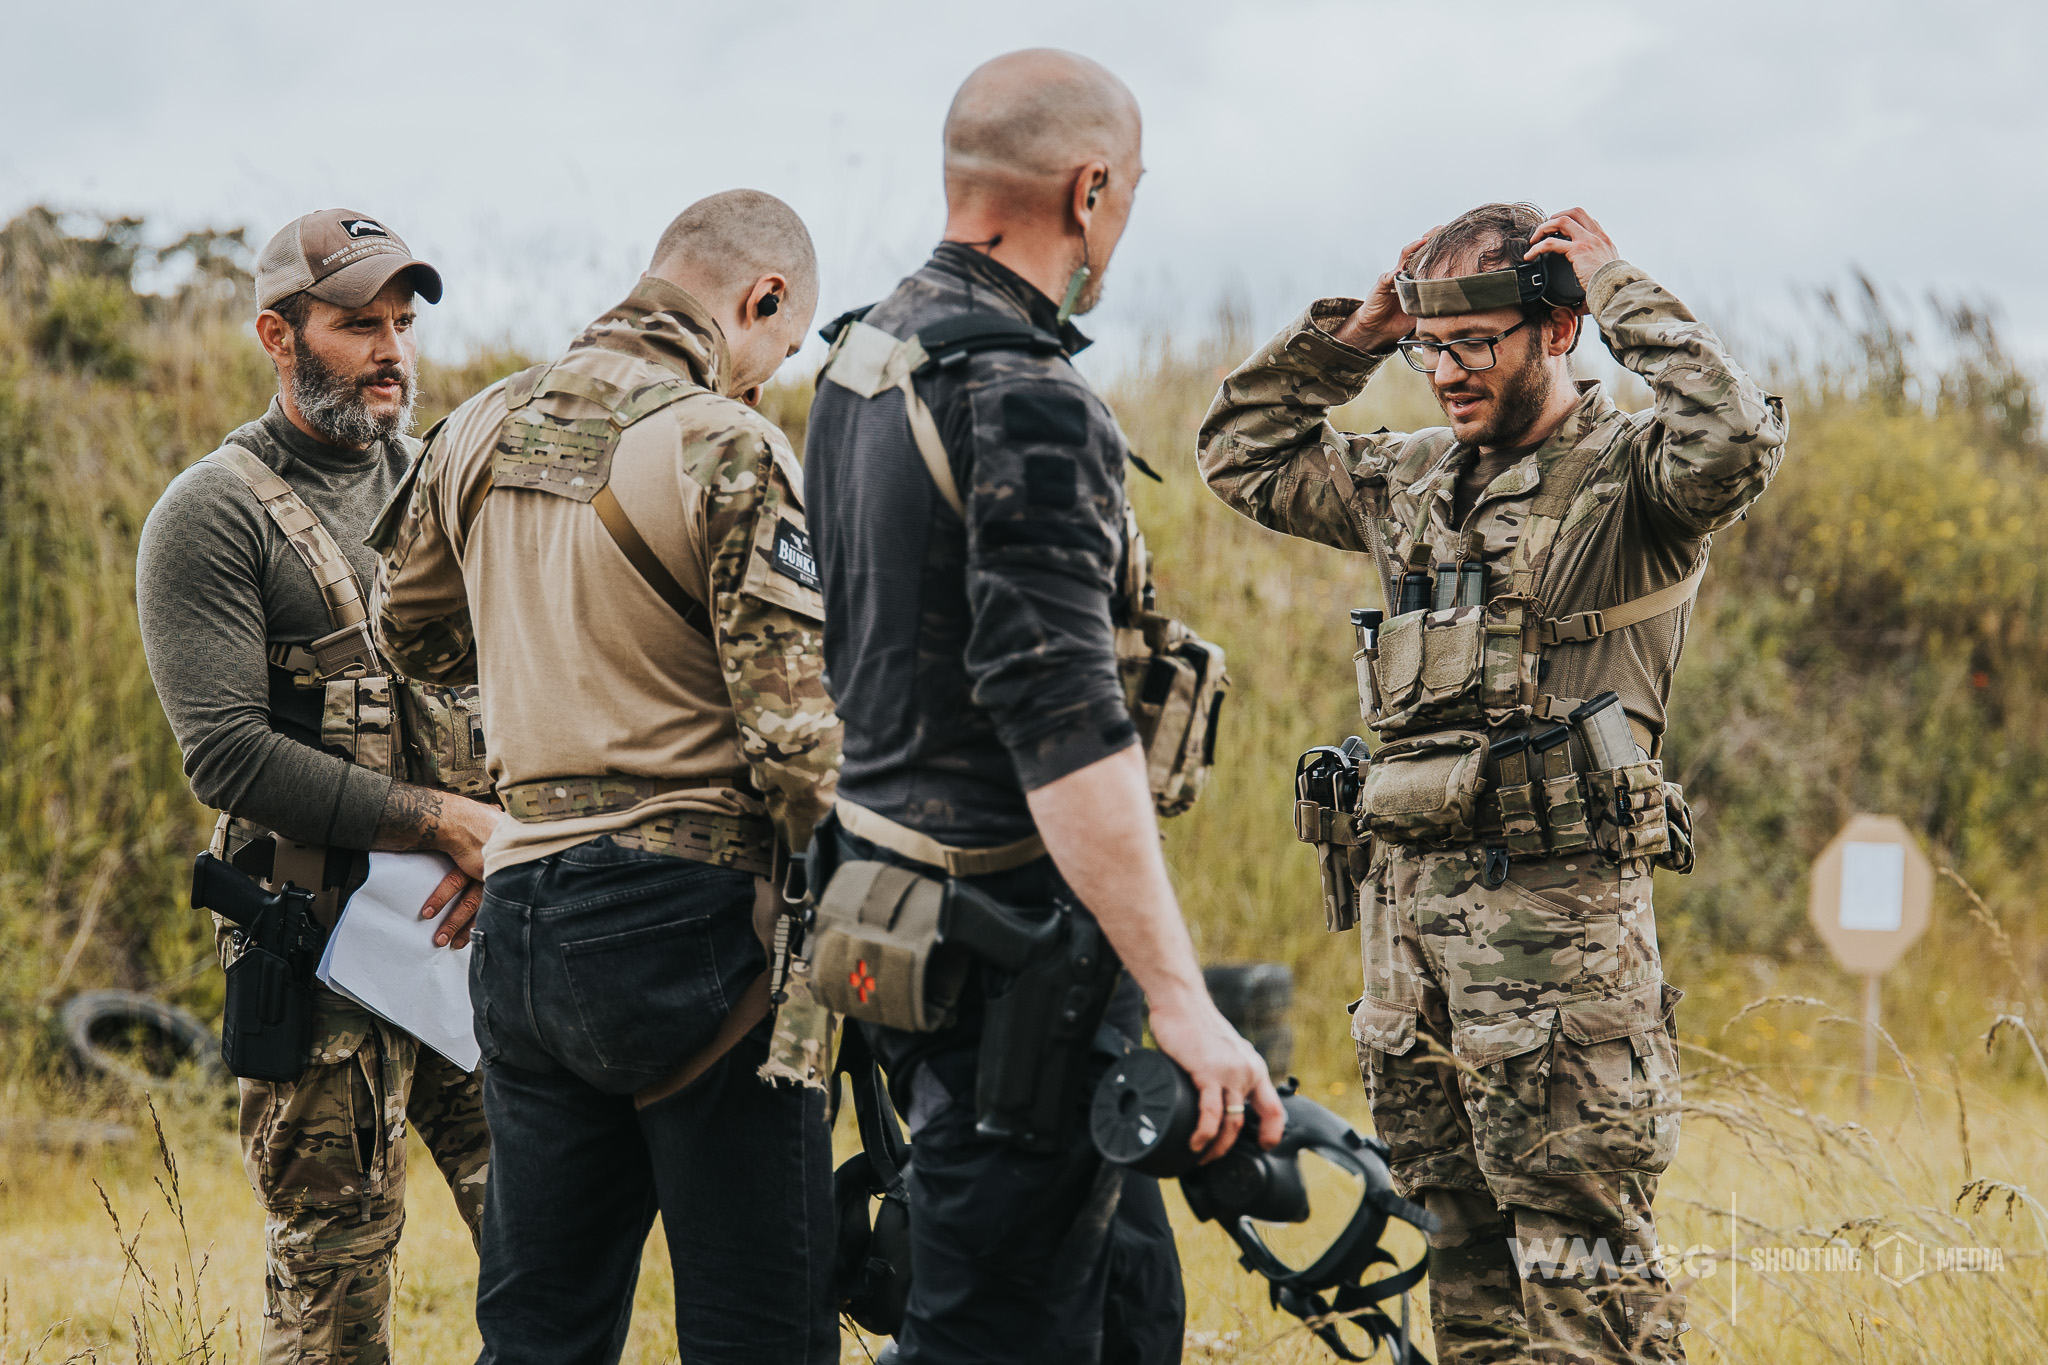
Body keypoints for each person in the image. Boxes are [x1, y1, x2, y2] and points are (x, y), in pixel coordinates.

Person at [1199, 203, 1789, 1362]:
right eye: (1431, 346)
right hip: (1408, 961)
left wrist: (1616, 282)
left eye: (1475, 341)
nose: (1446, 372)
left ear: (1554, 329)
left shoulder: (1634, 483)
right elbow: (1240, 456)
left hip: (1561, 972)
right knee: (1461, 1273)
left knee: (1585, 1288)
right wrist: (1355, 338)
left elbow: (1730, 437)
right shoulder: (1407, 480)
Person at [804, 49, 1282, 1365]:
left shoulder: (862, 362)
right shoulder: (1025, 397)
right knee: (989, 1331)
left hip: (892, 912)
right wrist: (1178, 999)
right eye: (1127, 195)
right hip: (1018, 951)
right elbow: (1064, 724)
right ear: (1090, 190)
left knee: (1130, 1312)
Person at [370, 189, 840, 1365]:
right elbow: (797, 741)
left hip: (522, 925)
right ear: (762, 299)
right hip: (699, 931)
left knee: (539, 1328)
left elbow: (410, 636)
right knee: (759, 1327)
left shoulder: (474, 424)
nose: (769, 375)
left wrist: (551, 647)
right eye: (777, 347)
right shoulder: (723, 441)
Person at [136, 208, 498, 1365]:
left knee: (550, 1242)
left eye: (401, 322)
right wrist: (444, 819)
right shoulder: (211, 513)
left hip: (469, 927)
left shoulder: (442, 483)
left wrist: (505, 844)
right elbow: (228, 752)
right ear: (277, 337)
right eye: (357, 325)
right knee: (332, 1288)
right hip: (323, 943)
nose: (392, 349)